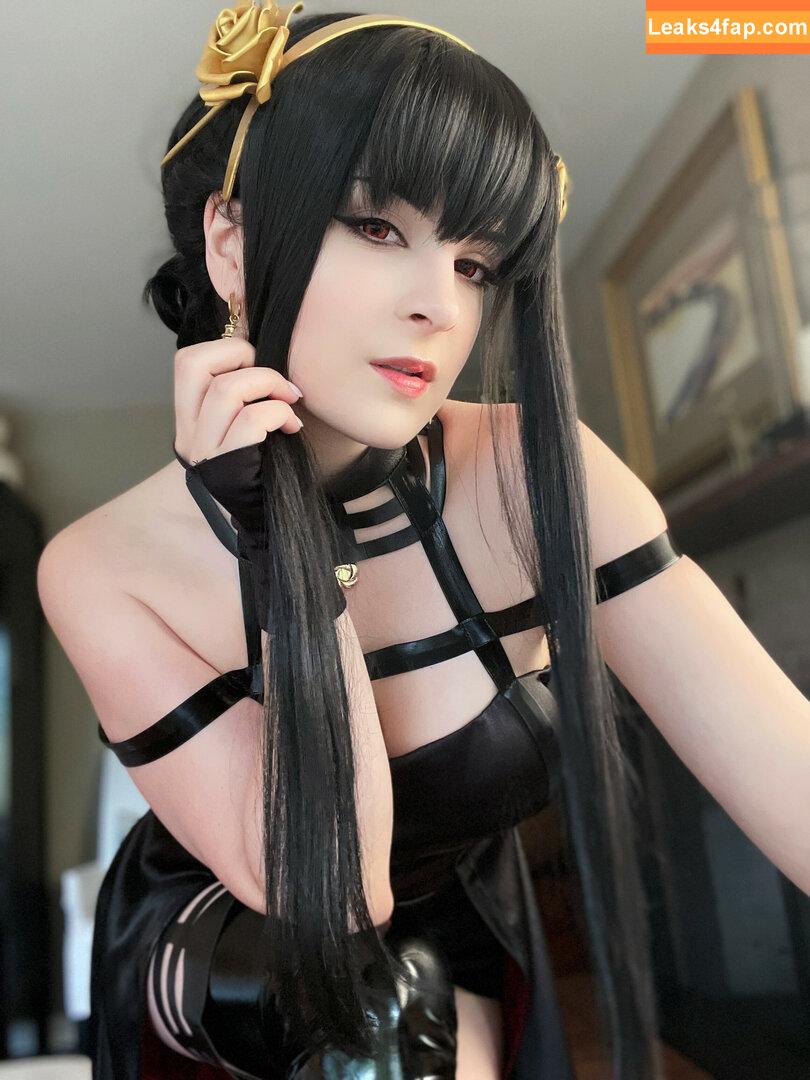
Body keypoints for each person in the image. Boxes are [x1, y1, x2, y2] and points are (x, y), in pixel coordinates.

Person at [36, 4, 810, 1078]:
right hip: (244, 953)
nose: (439, 307)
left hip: (451, 931)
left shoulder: (536, 469)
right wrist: (276, 542)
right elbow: (333, 896)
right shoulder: (99, 566)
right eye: (376, 227)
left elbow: (787, 770)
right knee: (375, 1030)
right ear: (230, 241)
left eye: (476, 264)